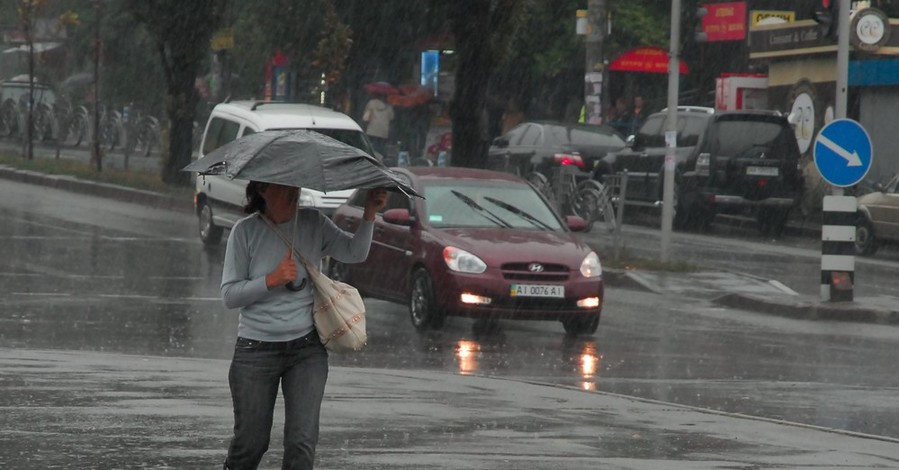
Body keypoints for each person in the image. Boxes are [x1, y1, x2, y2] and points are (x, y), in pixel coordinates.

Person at [220, 181, 387, 470]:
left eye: (295, 187)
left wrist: (369, 212)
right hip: (255, 350)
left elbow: (354, 252)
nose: (293, 192)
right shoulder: (245, 231)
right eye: (284, 187)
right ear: (262, 190)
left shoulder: (312, 222)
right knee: (251, 443)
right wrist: (270, 281)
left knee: (301, 442)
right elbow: (230, 295)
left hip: (306, 350)